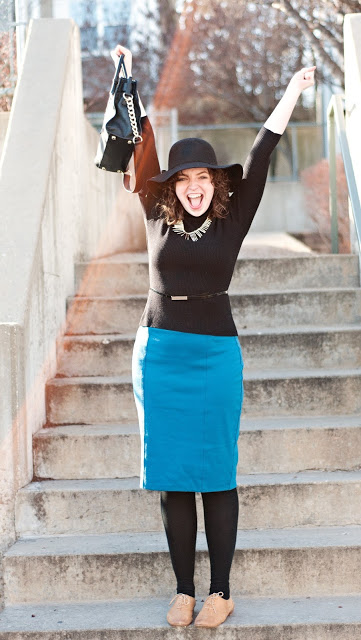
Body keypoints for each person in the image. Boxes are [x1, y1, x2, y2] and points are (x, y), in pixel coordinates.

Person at [111, 44, 315, 629]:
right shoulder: (154, 208)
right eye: (185, 179)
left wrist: (293, 92)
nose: (194, 187)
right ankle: (183, 590)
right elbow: (141, 140)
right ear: (171, 185)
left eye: (203, 177)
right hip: (160, 353)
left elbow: (262, 148)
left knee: (216, 475)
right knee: (173, 478)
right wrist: (127, 76)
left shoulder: (233, 217)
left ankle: (220, 591)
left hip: (215, 357)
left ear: (213, 183)